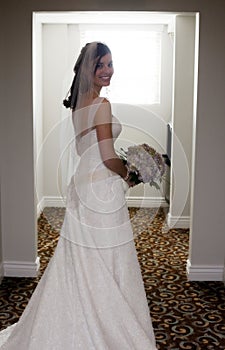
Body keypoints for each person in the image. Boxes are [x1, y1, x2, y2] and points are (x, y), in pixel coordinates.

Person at [0, 42, 157, 349]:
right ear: (88, 69)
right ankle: (107, 323)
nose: (108, 70)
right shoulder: (102, 104)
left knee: (83, 254)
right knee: (106, 253)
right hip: (102, 187)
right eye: (101, 65)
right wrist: (132, 175)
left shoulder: (78, 102)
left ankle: (86, 311)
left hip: (84, 184)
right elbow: (109, 156)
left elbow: (81, 149)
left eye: (110, 64)